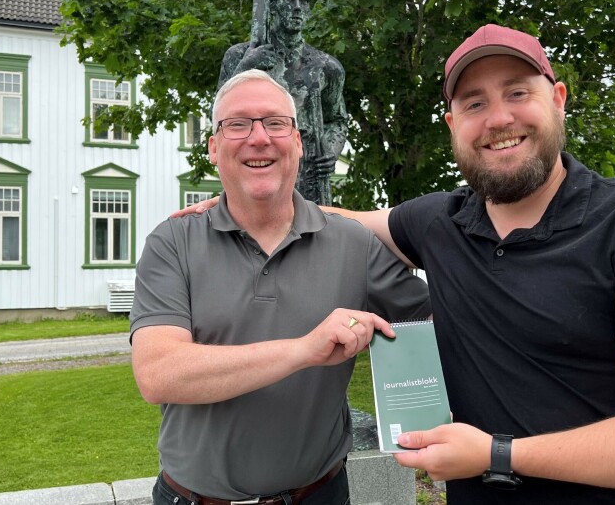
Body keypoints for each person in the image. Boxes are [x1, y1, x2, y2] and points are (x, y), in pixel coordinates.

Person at [175, 24, 615, 504]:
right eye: (474, 103)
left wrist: (497, 455)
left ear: (558, 99)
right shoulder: (438, 223)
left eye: (518, 93)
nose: (497, 119)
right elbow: (334, 216)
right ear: (452, 124)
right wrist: (246, 200)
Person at [130, 69, 430, 505]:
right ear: (213, 146)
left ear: (299, 143)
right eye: (237, 124)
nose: (259, 138)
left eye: (275, 123)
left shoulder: (354, 244)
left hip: (319, 495)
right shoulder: (172, 242)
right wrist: (303, 350)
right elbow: (158, 374)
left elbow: (436, 324)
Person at [219, 0, 348, 206]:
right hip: (257, 170)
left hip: (308, 178)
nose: (297, 7)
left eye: (303, 0)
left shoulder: (326, 67)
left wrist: (330, 150)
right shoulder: (239, 56)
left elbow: (337, 119)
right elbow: (219, 118)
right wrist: (246, 67)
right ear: (272, 4)